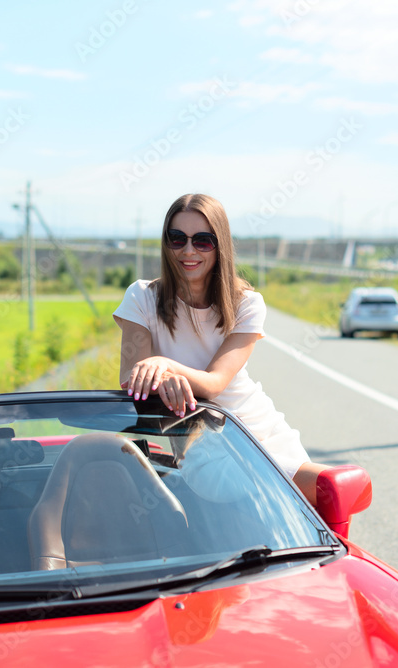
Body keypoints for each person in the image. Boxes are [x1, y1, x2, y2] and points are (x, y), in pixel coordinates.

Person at [112, 193, 328, 505]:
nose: (188, 251)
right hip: (202, 439)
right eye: (177, 239)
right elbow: (133, 378)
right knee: (285, 509)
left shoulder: (247, 303)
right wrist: (164, 377)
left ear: (220, 245)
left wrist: (164, 364)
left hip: (259, 428)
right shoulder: (142, 297)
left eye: (202, 241)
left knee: (320, 502)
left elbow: (214, 383)